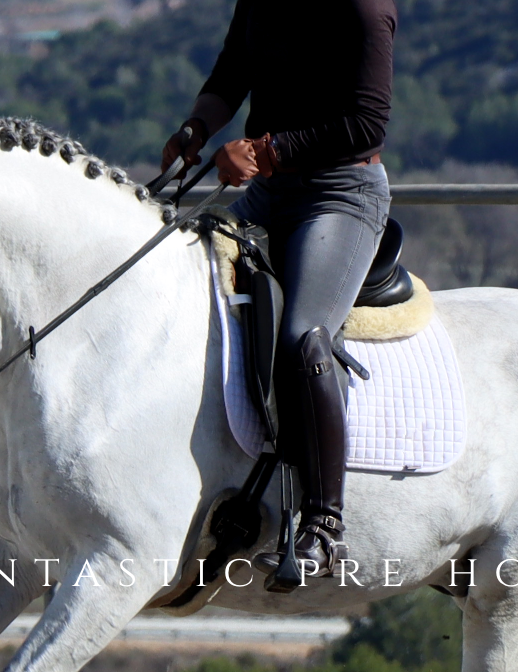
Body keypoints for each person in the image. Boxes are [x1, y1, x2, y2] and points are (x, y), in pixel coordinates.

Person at [162, 0, 396, 589]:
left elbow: (366, 125)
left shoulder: (364, 9)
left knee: (301, 337)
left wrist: (266, 151)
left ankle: (324, 524)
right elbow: (230, 75)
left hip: (340, 194)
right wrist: (195, 129)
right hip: (269, 194)